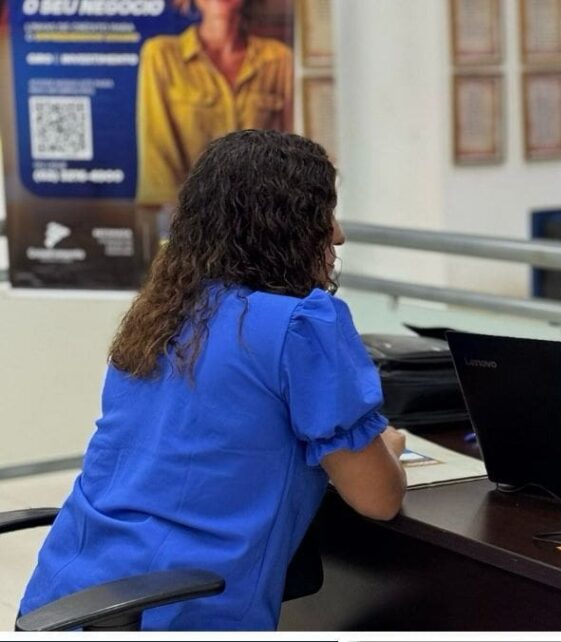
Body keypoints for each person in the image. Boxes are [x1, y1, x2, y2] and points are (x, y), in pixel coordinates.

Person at [20, 129, 406, 630]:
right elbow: (378, 499)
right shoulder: (300, 326)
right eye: (323, 214)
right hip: (179, 615)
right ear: (287, 226)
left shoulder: (162, 315)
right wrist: (388, 450)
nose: (337, 235)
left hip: (61, 603)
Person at [136, 0, 294, 205]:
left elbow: (294, 148)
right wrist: (182, 226)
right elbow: (157, 153)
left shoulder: (279, 58)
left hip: (265, 213)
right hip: (191, 216)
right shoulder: (161, 55)